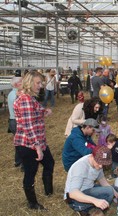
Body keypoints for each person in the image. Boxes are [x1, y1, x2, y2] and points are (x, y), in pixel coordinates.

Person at [13, 71, 55, 210]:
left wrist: (45, 111)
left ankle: (49, 191)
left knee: (49, 162)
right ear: (29, 82)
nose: (40, 85)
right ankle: (32, 203)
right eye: (37, 83)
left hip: (38, 141)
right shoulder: (25, 99)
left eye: (41, 82)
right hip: (28, 143)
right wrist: (37, 147)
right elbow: (28, 125)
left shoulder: (30, 98)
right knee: (31, 172)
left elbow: (36, 109)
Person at [64, 145, 118, 215]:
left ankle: (95, 208)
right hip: (74, 199)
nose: (101, 166)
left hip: (88, 188)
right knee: (109, 191)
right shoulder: (80, 167)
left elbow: (102, 180)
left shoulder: (98, 163)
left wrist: (115, 192)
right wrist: (95, 201)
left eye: (103, 163)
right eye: (99, 162)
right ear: (92, 156)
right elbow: (73, 194)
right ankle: (85, 210)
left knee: (114, 189)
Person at [7, 76, 23, 168]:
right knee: (22, 143)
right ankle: (23, 164)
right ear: (17, 84)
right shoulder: (16, 95)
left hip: (12, 121)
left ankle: (18, 161)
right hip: (17, 121)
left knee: (17, 142)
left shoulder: (11, 93)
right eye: (22, 82)